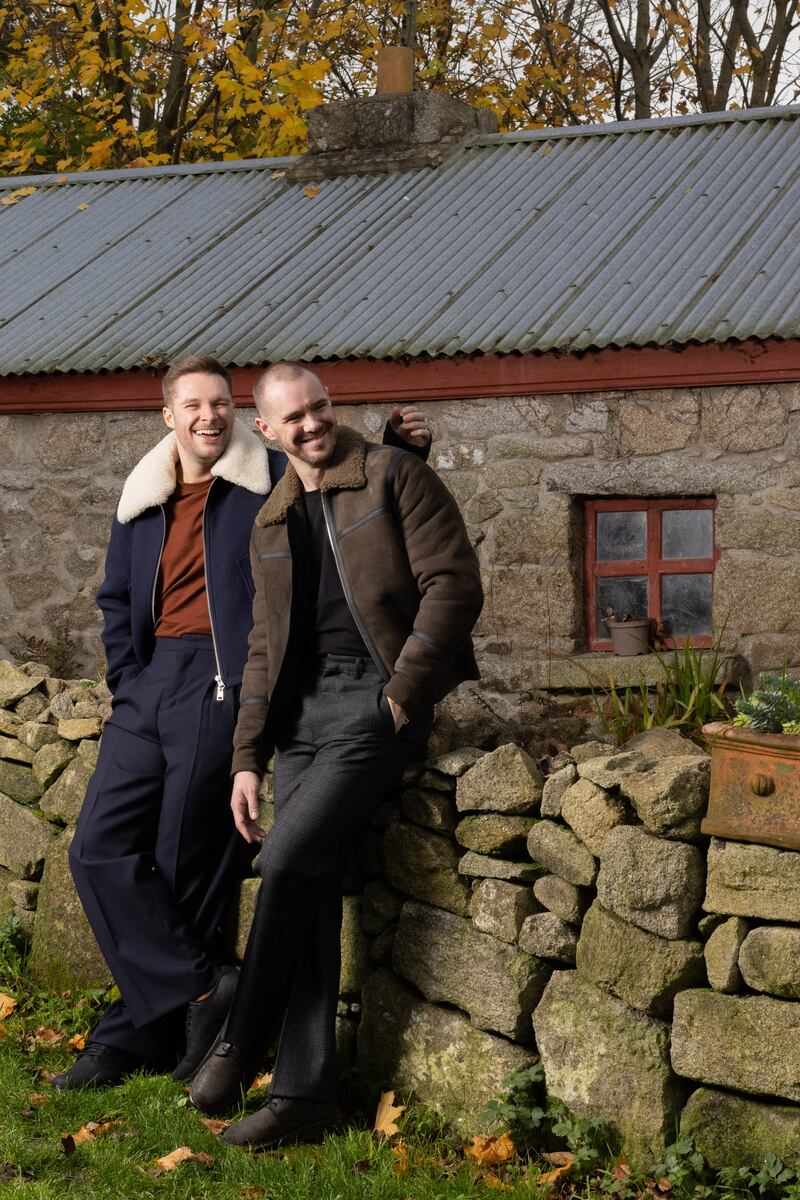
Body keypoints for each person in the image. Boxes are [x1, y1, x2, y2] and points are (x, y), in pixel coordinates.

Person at [57, 354, 430, 1090]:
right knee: (95, 849)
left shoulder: (270, 478)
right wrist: (127, 678)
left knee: (185, 859)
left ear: (240, 412)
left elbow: (342, 481)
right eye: (193, 405)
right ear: (168, 414)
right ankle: (202, 988)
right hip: (150, 682)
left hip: (226, 678)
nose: (209, 416)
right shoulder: (142, 495)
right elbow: (116, 597)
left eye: (221, 402)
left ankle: (130, 1037)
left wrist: (401, 450)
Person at [189, 361, 483, 1150]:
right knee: (308, 880)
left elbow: (454, 585)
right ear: (267, 430)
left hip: (375, 703)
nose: (312, 424)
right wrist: (246, 757)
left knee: (284, 859)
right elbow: (262, 647)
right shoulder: (272, 520)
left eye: (319, 407)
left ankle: (239, 1039)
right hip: (301, 720)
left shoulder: (394, 476)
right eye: (293, 418)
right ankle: (303, 1098)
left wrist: (404, 691)